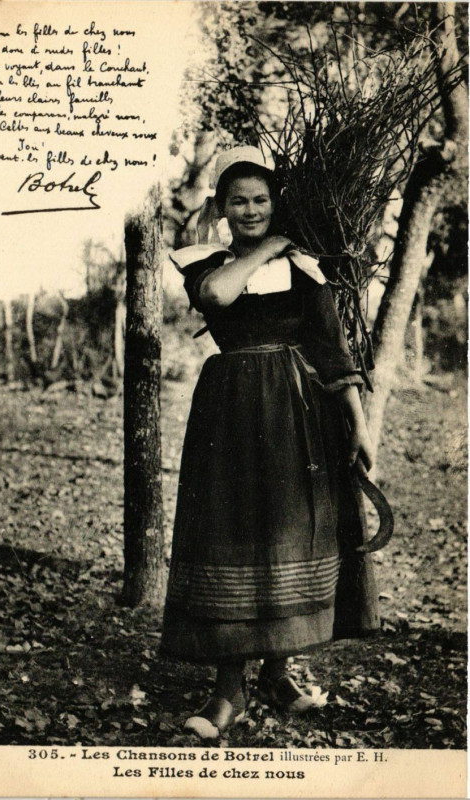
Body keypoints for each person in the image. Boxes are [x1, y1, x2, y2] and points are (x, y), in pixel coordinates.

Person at [160, 145, 379, 740]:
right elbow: (216, 299)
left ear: (276, 201)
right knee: (231, 538)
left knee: (287, 534)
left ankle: (278, 677)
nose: (251, 209)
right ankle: (227, 693)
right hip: (229, 413)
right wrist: (267, 245)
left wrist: (357, 423)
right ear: (222, 207)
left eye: (261, 199)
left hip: (299, 409)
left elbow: (332, 351)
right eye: (239, 201)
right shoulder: (205, 262)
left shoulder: (306, 269)